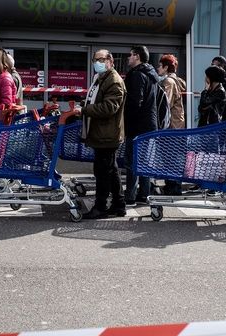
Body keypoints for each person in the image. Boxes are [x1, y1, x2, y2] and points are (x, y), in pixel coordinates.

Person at [75, 49, 126, 219]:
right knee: (111, 171)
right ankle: (119, 205)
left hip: (107, 135)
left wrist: (84, 109)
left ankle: (101, 207)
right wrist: (85, 103)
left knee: (103, 172)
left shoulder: (113, 80)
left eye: (101, 59)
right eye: (95, 60)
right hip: (102, 133)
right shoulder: (100, 78)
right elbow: (98, 100)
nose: (97, 62)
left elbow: (109, 107)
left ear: (110, 60)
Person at [124, 45, 160, 206]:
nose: (128, 58)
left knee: (132, 161)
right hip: (149, 123)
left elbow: (134, 102)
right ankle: (144, 194)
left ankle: (130, 196)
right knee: (144, 161)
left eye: (130, 55)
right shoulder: (151, 75)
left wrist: (124, 119)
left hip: (137, 124)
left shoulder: (137, 75)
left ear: (137, 57)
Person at [157, 54, 186, 195]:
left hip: (171, 126)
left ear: (166, 67)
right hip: (178, 125)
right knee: (175, 157)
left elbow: (165, 104)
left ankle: (172, 187)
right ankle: (174, 185)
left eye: (159, 66)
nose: (157, 68)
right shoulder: (178, 80)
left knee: (169, 157)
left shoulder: (168, 81)